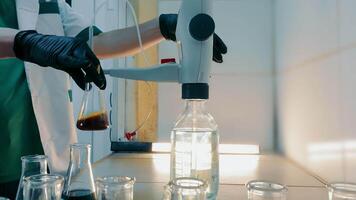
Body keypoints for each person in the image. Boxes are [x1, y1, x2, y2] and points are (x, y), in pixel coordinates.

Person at [0, 0, 227, 198]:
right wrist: (25, 42)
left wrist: (163, 27)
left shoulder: (50, 3)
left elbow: (98, 43)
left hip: (47, 164)